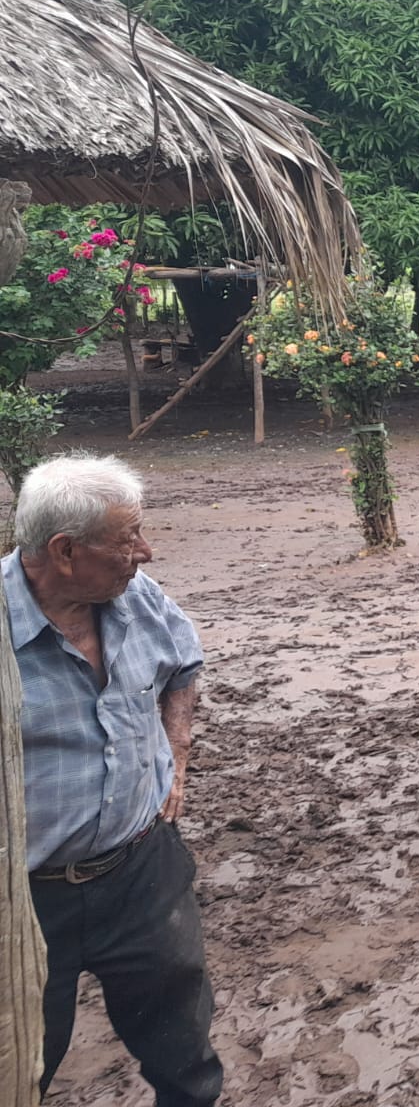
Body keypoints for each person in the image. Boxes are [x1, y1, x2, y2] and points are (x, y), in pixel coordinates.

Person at [5, 453, 221, 1106]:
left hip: (141, 871)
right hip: (24, 902)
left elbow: (183, 665)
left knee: (185, 1053)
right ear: (64, 551)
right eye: (127, 539)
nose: (146, 552)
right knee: (24, 1065)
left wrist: (176, 757)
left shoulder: (136, 598)